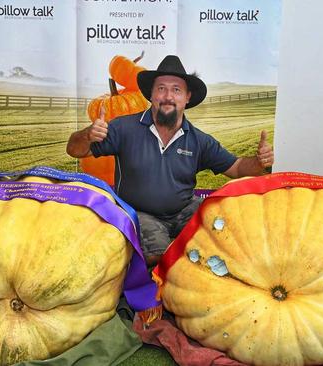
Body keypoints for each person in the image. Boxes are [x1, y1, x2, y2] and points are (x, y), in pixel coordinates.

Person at [67, 55, 273, 266]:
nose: (168, 96)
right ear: (151, 95)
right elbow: (74, 150)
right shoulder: (123, 128)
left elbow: (237, 168)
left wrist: (259, 163)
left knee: (226, 236)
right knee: (162, 260)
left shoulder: (199, 140)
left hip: (184, 209)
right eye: (161, 88)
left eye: (176, 90)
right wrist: (87, 135)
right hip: (140, 213)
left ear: (187, 97)